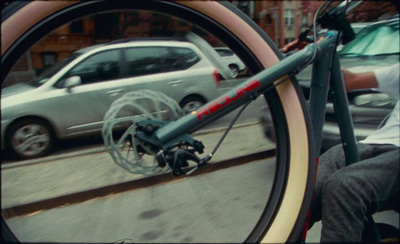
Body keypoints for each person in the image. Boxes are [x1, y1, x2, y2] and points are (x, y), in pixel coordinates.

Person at [308, 63, 400, 242]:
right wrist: (323, 58)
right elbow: (351, 81)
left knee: (345, 187)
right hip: (376, 142)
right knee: (307, 186)